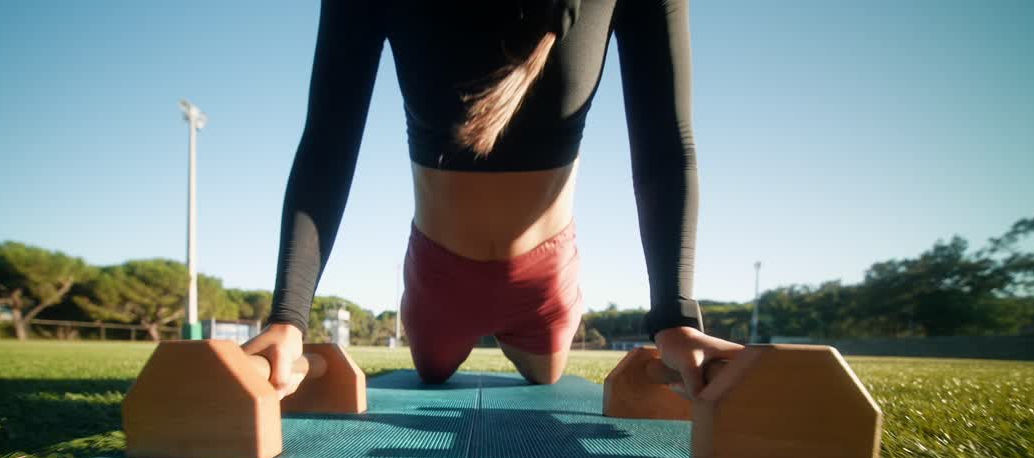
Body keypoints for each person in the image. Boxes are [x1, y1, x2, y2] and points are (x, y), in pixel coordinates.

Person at [243, 0, 743, 398]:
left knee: (545, 376)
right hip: (438, 275)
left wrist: (675, 318)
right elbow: (328, 141)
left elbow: (664, 146)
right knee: (432, 370)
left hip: (542, 280)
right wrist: (289, 316)